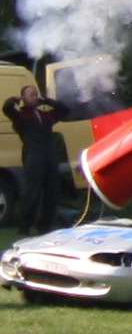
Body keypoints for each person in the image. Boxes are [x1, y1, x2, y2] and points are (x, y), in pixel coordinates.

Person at [3, 85, 71, 235]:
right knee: (32, 193)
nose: (35, 96)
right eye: (31, 94)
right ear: (24, 98)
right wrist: (17, 99)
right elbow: (7, 107)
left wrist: (47, 101)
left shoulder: (45, 115)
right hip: (34, 157)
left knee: (52, 192)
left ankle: (44, 225)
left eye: (36, 94)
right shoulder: (20, 116)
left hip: (50, 157)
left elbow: (64, 110)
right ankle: (25, 226)